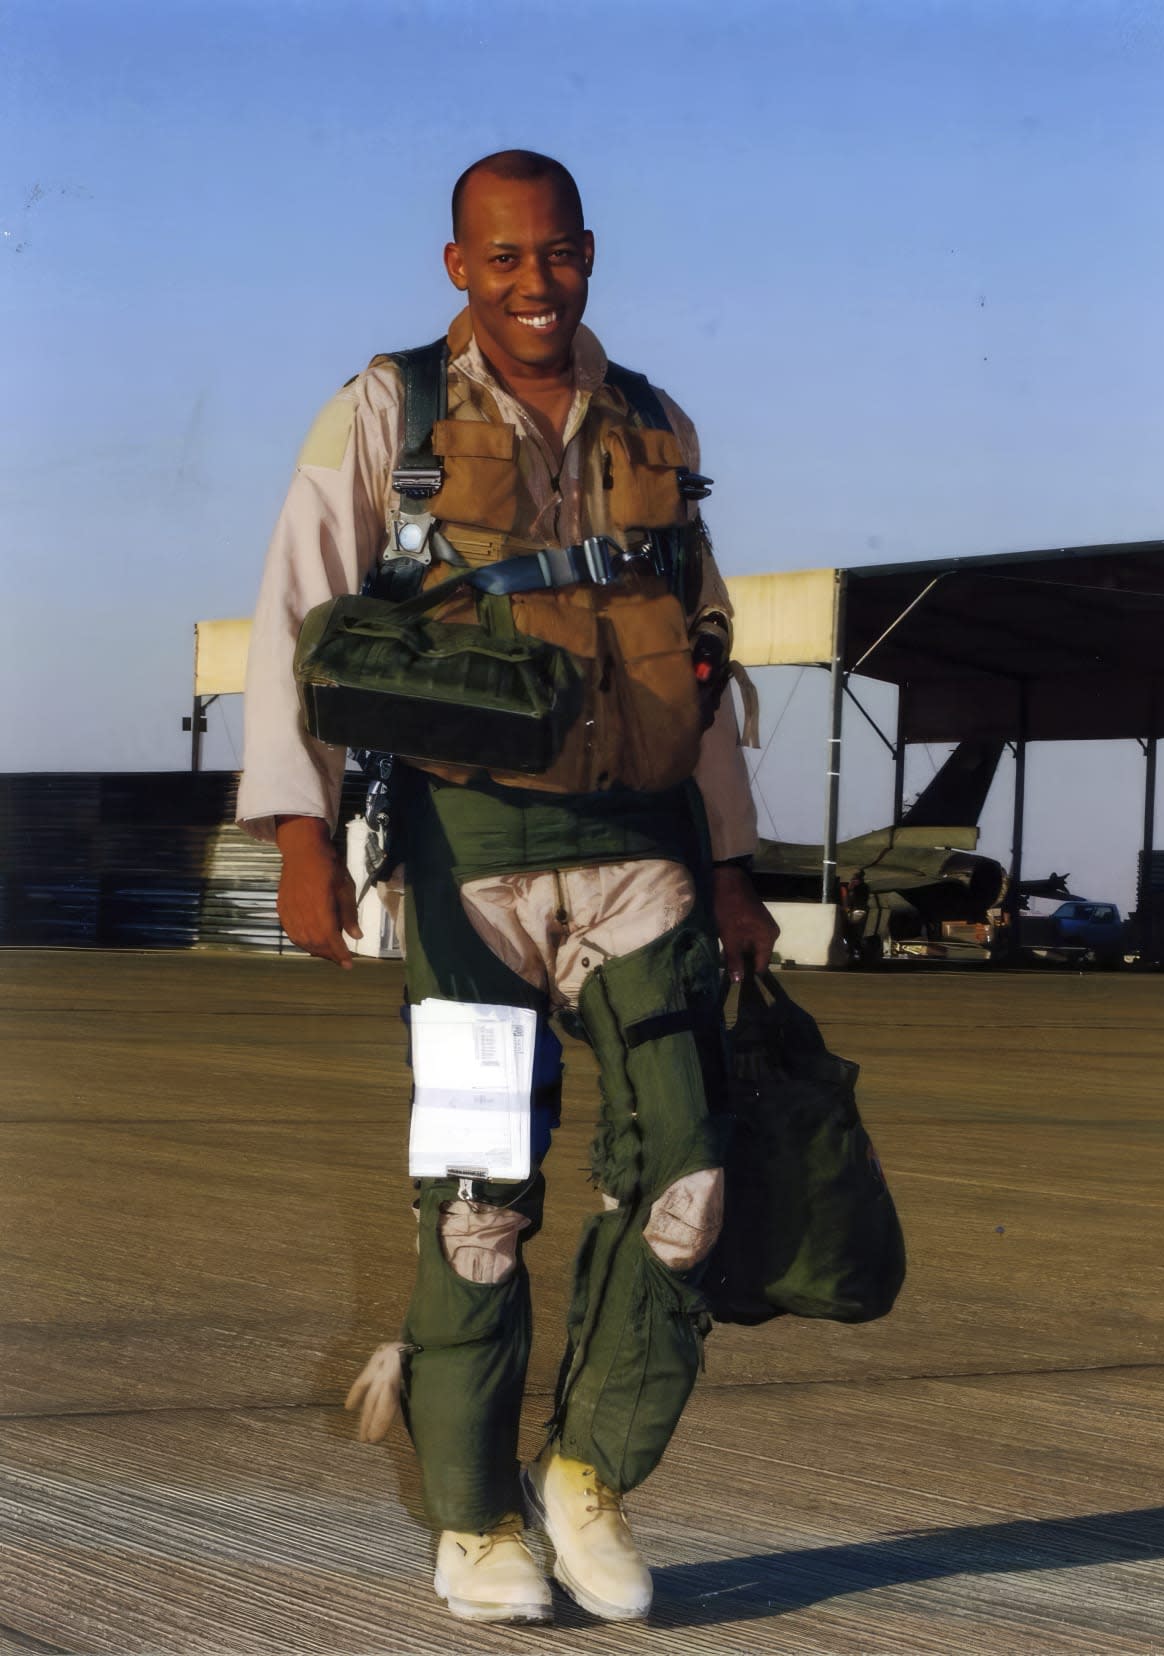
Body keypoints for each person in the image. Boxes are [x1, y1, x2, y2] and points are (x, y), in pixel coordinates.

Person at [237, 149, 778, 1626]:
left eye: (560, 256)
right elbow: (301, 607)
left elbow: (704, 656)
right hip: (468, 861)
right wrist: (297, 833)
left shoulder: (655, 424)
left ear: (590, 254)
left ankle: (586, 1474)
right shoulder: (386, 414)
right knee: (479, 1201)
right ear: (458, 266)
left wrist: (732, 863)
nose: (538, 284)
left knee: (691, 1176)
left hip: (644, 853)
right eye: (506, 259)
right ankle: (473, 1518)